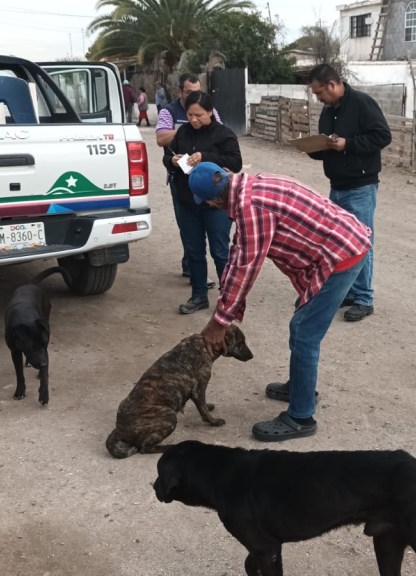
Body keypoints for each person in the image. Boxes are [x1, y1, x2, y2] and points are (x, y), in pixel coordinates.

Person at [190, 162, 371, 441]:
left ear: (214, 202)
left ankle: (301, 417)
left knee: (303, 333)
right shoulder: (252, 187)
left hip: (341, 256)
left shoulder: (251, 209)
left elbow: (245, 268)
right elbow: (239, 252)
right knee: (302, 325)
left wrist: (220, 322)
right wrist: (223, 312)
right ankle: (300, 387)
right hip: (343, 243)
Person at [307, 64, 391, 323]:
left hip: (360, 187)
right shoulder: (329, 110)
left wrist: (349, 144)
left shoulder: (362, 103)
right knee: (342, 243)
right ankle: (348, 291)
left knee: (362, 243)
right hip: (338, 187)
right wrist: (313, 147)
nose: (318, 98)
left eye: (320, 92)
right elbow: (328, 143)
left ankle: (364, 299)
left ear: (332, 84)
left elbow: (382, 136)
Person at [168, 92, 241, 315]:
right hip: (187, 201)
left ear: (210, 112)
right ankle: (199, 295)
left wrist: (205, 156)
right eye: (190, 115)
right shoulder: (183, 132)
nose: (194, 119)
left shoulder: (224, 134)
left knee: (220, 251)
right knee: (194, 251)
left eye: (199, 115)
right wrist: (172, 160)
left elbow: (235, 163)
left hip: (215, 204)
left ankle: (228, 298)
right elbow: (168, 154)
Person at [156, 73, 223, 279]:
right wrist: (190, 128)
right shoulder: (169, 111)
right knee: (188, 227)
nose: (194, 96)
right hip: (181, 180)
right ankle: (191, 267)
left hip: (209, 181)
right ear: (180, 92)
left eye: (197, 92)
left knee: (216, 239)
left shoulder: (210, 110)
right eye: (189, 93)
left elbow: (220, 133)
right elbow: (161, 138)